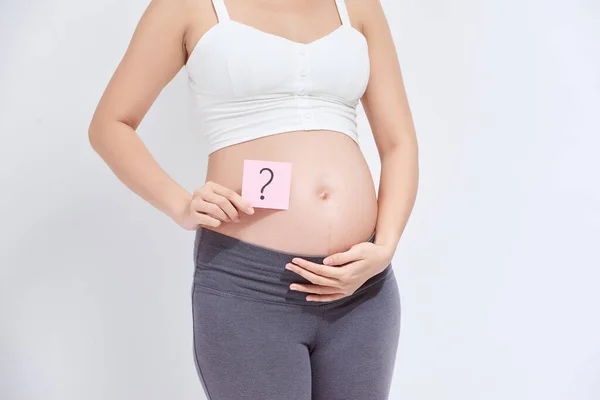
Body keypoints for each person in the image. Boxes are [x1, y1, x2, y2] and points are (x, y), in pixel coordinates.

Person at [88, 0, 419, 398]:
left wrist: (385, 247)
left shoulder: (357, 6)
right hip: (250, 287)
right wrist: (179, 204)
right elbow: (110, 124)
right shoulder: (187, 6)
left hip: (362, 288)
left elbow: (399, 142)